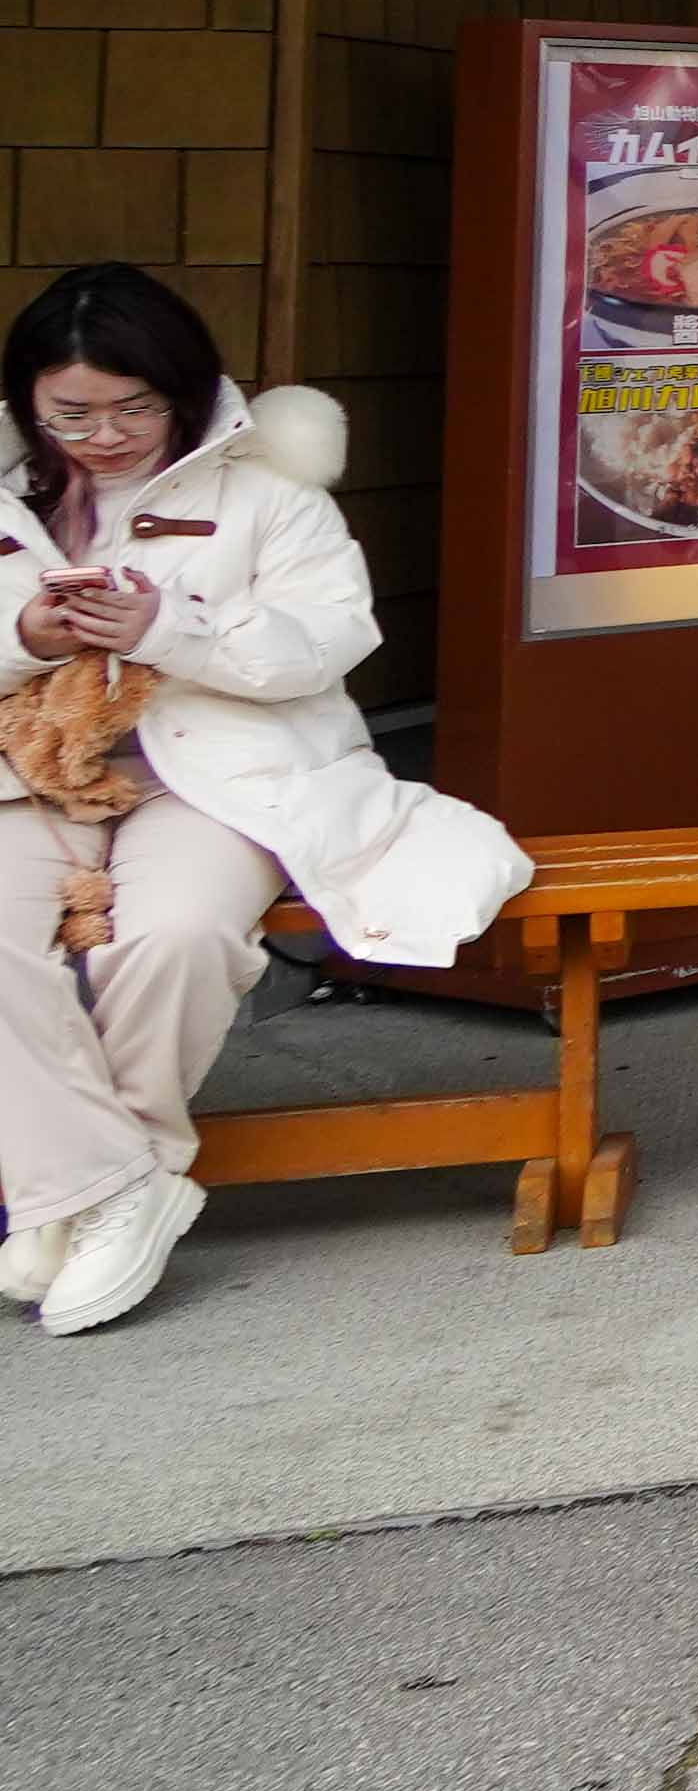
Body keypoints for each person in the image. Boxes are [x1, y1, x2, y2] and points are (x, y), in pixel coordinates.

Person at [0, 264, 526, 1336]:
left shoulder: (269, 496)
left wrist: (166, 629)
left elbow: (328, 641)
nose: (105, 436)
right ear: (27, 402)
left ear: (186, 391)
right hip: (32, 775)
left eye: (135, 408)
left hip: (222, 779)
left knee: (179, 936)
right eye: (72, 414)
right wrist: (27, 637)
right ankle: (115, 1190)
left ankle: (84, 1198)